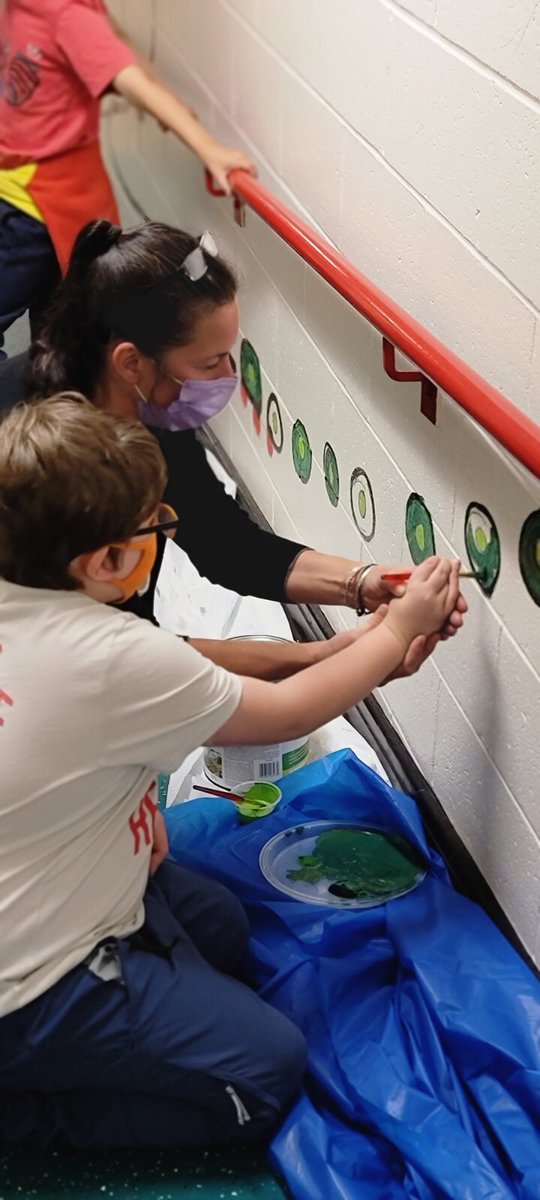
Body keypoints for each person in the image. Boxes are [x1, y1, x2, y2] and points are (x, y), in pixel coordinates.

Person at [0, 394, 462, 1150]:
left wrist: (361, 643)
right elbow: (283, 713)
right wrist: (395, 637)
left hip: (54, 878)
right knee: (266, 1073)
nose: (164, 532)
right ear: (104, 562)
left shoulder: (33, 602)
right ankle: (25, 1112)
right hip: (26, 985)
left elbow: (183, 677)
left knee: (218, 926)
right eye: (153, 527)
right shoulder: (112, 654)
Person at [0, 218, 468, 678]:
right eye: (210, 363)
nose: (229, 376)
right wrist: (355, 655)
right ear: (131, 363)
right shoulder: (25, 450)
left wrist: (363, 583)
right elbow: (123, 658)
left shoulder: (149, 414)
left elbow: (223, 543)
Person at [0, 0, 255, 356]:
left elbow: (127, 75)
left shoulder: (67, 14)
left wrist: (207, 148)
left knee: (60, 335)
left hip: (33, 206)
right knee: (59, 336)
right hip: (26, 191)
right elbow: (115, 39)